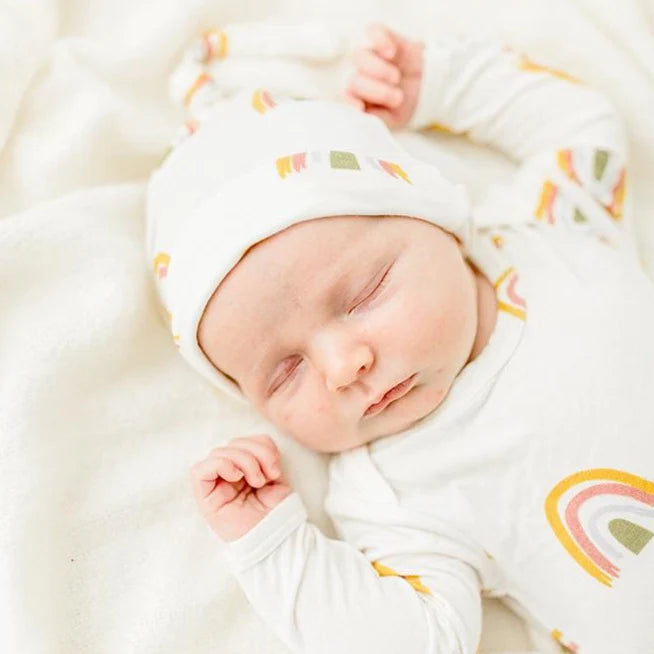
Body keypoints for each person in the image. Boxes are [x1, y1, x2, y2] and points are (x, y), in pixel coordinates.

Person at [146, 22, 654, 654]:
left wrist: (444, 86)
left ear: (440, 223)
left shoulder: (546, 234)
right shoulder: (393, 493)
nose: (341, 366)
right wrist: (274, 547)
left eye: (364, 296)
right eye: (283, 372)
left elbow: (582, 129)